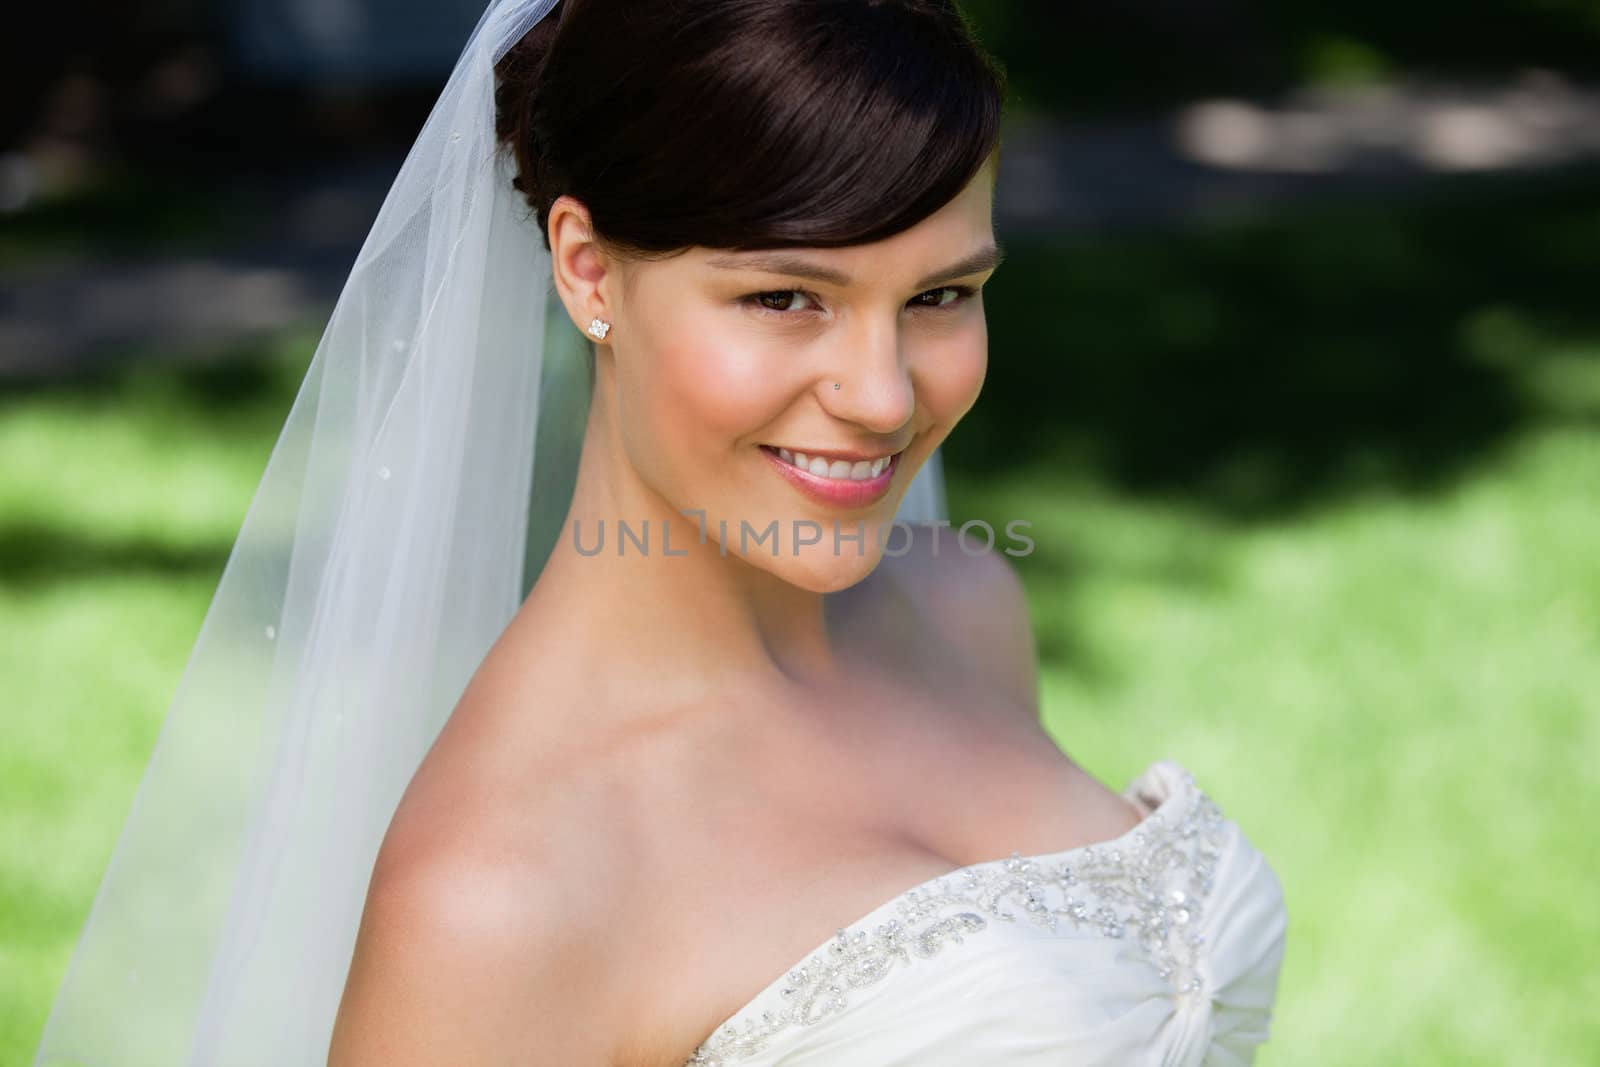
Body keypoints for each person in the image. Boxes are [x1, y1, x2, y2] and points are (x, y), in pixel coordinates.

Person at [34, 1, 1287, 1065]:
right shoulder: (503, 893)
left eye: (940, 296)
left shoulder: (957, 604)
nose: (886, 394)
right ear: (586, 269)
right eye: (786, 295)